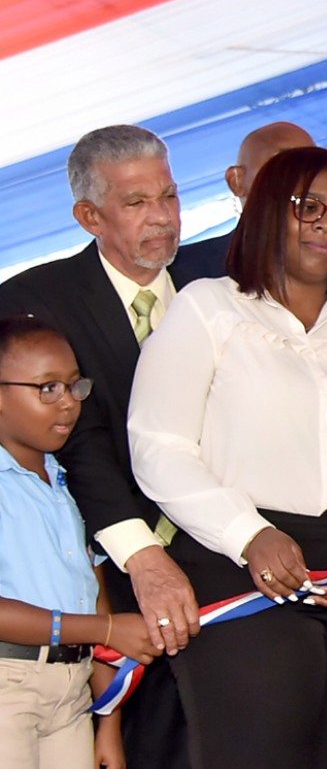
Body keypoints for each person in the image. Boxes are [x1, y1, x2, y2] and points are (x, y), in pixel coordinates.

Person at [127, 147, 327, 769]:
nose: (326, 224)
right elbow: (157, 445)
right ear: (262, 212)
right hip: (240, 561)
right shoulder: (207, 307)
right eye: (306, 206)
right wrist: (249, 534)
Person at [0, 124, 196, 768]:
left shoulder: (216, 283)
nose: (163, 218)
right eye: (138, 203)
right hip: (114, 570)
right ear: (89, 215)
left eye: (169, 196)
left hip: (225, 561)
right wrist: (140, 557)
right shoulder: (34, 301)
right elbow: (77, 443)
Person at [0, 316, 162, 769]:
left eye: (75, 385)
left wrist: (106, 720)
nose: (69, 403)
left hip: (71, 695)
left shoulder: (63, 486)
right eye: (47, 388)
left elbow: (93, 594)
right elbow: (102, 626)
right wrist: (106, 632)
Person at [168, 122, 314, 288]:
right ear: (236, 181)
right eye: (283, 166)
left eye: (313, 168)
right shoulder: (182, 270)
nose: (301, 180)